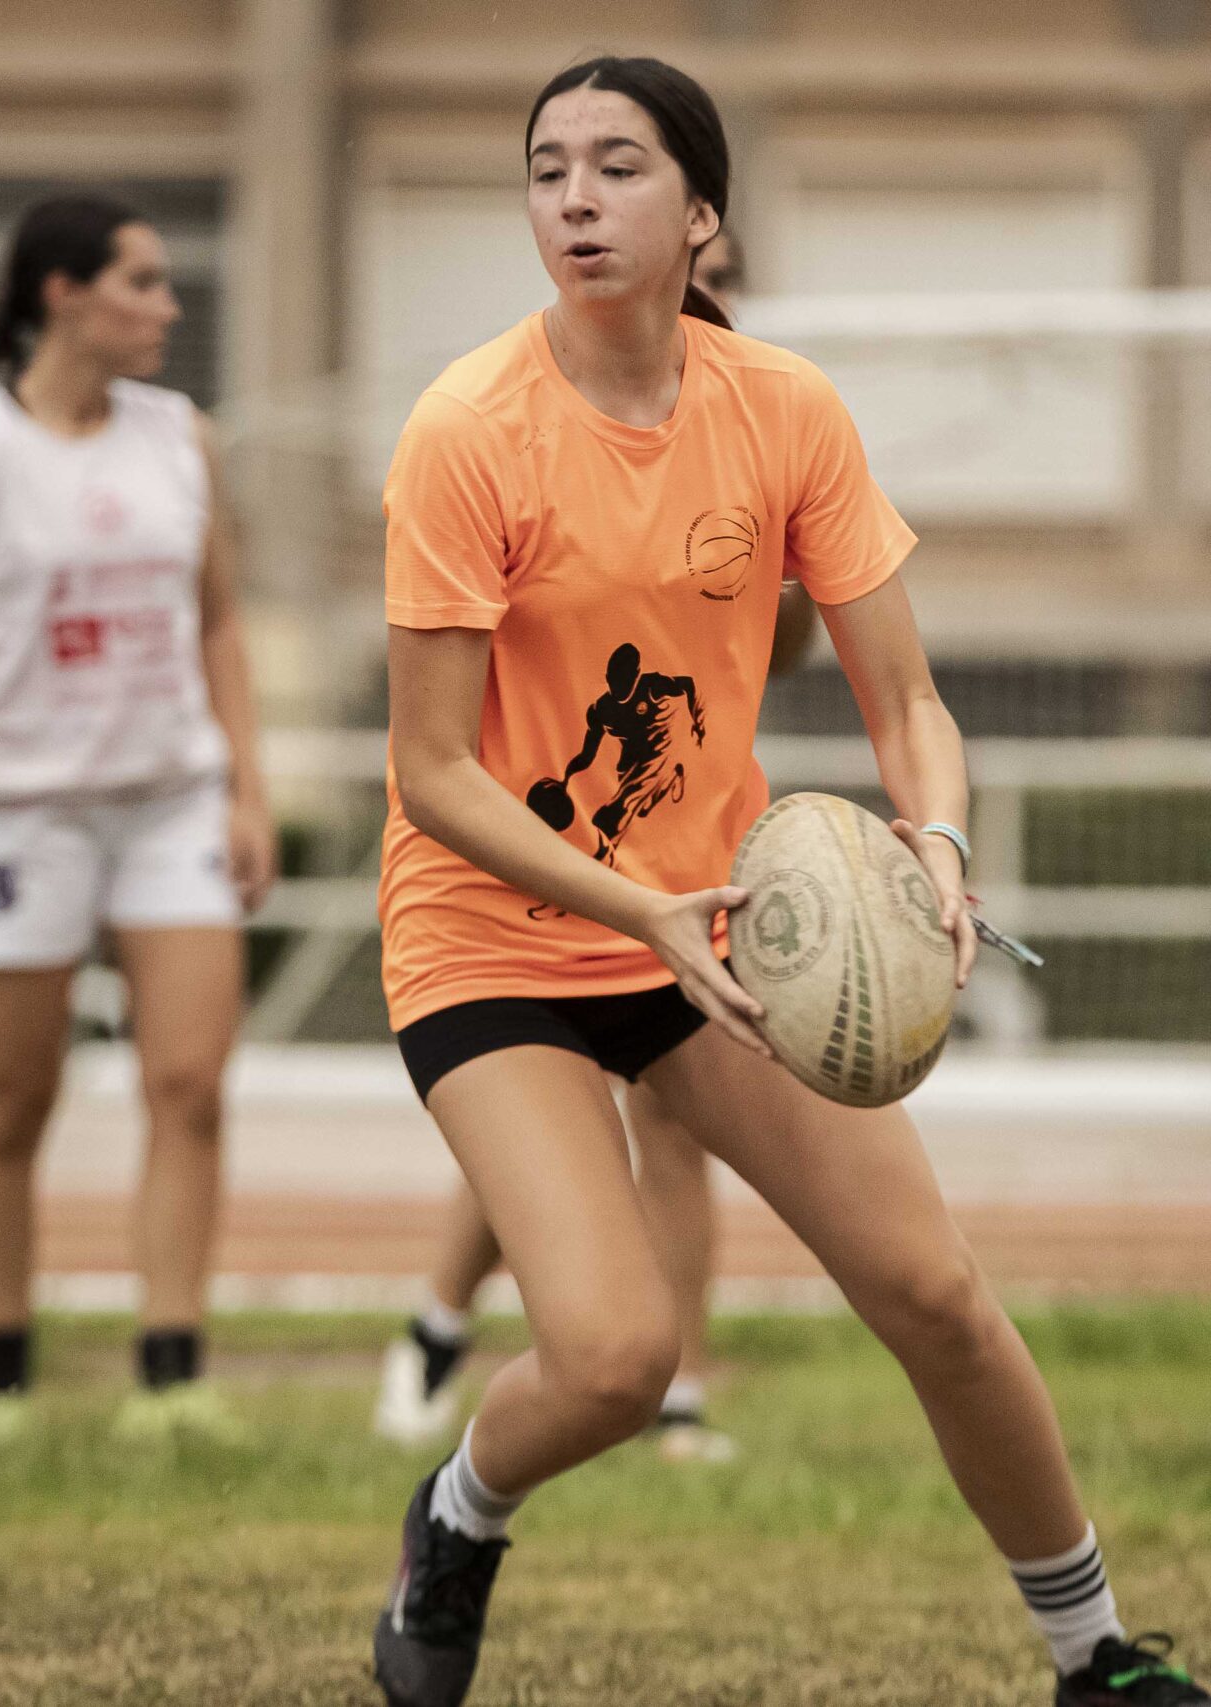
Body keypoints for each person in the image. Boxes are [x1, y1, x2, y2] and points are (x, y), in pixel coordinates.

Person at [365, 55, 1211, 1707]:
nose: (575, 198)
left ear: (704, 216)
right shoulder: (468, 432)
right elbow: (434, 771)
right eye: (548, 169)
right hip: (497, 943)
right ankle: (459, 1517)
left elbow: (907, 701)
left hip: (726, 930)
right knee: (617, 1359)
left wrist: (938, 848)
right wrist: (637, 915)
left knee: (934, 1292)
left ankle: (1095, 1655)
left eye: (618, 167)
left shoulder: (785, 410)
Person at [372, 235, 808, 1469]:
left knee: (662, 1132)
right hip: (524, 884)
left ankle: (677, 1390)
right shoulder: (502, 432)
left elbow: (782, 660)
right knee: (560, 1142)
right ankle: (439, 1321)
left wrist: (778, 591)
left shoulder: (760, 427)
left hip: (679, 883)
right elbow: (442, 741)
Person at [0, 193, 276, 1449]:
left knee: (191, 1084)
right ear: (61, 293)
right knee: (8, 1101)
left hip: (169, 804)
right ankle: (3, 1376)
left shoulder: (177, 437)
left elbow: (216, 621)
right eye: (144, 283)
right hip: (18, 814)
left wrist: (246, 788)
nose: (168, 306)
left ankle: (170, 1373)